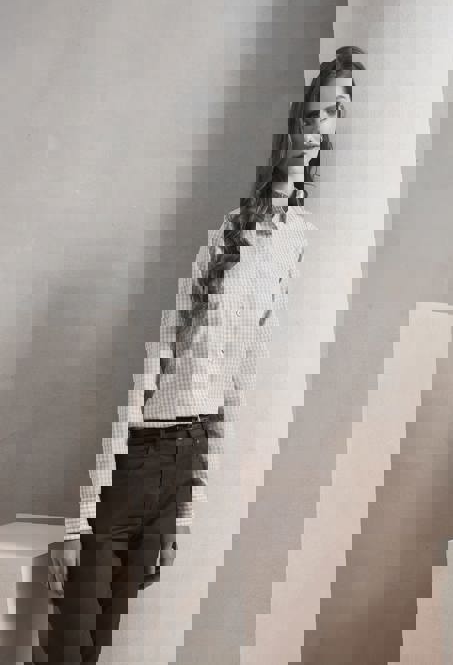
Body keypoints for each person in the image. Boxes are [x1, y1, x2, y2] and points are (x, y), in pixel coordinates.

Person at [33, 46, 365, 665]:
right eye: (316, 114)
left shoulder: (297, 241)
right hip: (150, 438)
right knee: (77, 620)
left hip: (195, 444)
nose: (317, 133)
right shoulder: (236, 231)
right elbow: (156, 360)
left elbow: (255, 359)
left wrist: (198, 486)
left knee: (122, 611)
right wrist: (82, 519)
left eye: (333, 117)